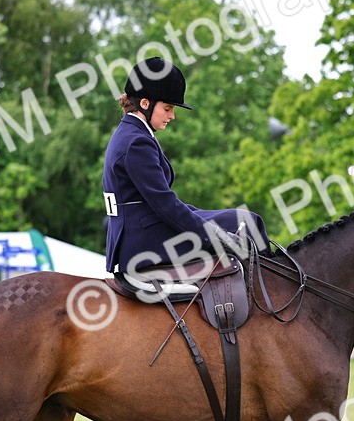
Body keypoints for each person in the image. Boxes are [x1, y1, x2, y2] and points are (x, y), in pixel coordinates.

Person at [102, 57, 269, 277]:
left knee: (242, 220)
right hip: (144, 241)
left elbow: (162, 203)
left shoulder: (131, 133)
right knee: (248, 223)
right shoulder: (136, 142)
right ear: (145, 103)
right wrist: (216, 236)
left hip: (143, 229)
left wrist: (204, 220)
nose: (172, 116)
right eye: (168, 108)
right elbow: (166, 205)